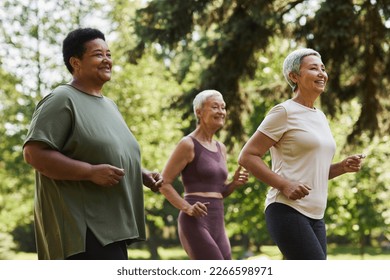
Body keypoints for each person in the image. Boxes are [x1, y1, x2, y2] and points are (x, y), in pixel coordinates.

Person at [23, 27, 162, 260]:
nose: (107, 60)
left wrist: (141, 174)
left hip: (113, 228)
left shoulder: (110, 105)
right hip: (82, 233)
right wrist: (89, 172)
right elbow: (34, 154)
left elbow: (107, 153)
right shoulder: (61, 99)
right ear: (75, 62)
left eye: (108, 54)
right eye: (98, 54)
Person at [238, 48, 365, 260]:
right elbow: (247, 156)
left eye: (323, 68)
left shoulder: (321, 117)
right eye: (313, 68)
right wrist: (285, 185)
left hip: (316, 215)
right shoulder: (284, 112)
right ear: (294, 76)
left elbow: (312, 172)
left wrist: (341, 167)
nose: (322, 73)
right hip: (286, 210)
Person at [159, 89, 249, 260]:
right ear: (199, 112)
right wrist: (187, 207)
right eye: (215, 107)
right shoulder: (188, 144)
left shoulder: (220, 148)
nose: (221, 112)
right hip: (194, 220)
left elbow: (219, 192)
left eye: (223, 107)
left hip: (218, 219)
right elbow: (164, 183)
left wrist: (234, 184)